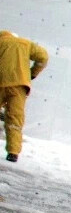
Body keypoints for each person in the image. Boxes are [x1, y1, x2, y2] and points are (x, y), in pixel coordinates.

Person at [0, 30, 48, 162]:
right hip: (20, 86)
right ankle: (13, 152)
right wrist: (32, 74)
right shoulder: (25, 44)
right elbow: (43, 57)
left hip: (1, 82)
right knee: (15, 118)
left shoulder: (1, 42)